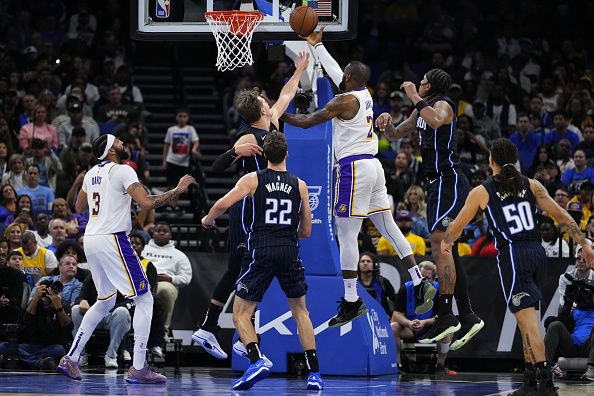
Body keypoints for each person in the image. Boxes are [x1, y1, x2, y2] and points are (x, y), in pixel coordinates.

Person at [281, 29, 434, 329]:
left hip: (353, 168)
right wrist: (318, 46)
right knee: (387, 226)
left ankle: (351, 300)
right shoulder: (363, 93)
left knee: (347, 233)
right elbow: (338, 72)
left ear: (350, 79)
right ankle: (418, 282)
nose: (341, 78)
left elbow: (308, 121)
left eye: (344, 76)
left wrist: (275, 113)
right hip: (373, 167)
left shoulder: (342, 102)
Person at [440, 138, 594, 395]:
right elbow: (562, 216)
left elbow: (457, 226)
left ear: (491, 162)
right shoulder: (532, 185)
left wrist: (446, 243)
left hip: (514, 255)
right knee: (526, 322)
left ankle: (546, 385)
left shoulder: (483, 190)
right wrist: (585, 244)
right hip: (537, 254)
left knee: (530, 324)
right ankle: (530, 382)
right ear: (515, 160)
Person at [192, 53, 311, 358]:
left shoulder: (271, 121)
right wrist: (234, 151)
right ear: (260, 107)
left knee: (246, 270)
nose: (270, 100)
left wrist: (298, 69)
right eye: (264, 99)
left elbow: (286, 95)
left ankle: (225, 333)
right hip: (248, 209)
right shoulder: (247, 134)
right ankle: (210, 328)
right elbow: (214, 169)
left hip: (264, 205)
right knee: (240, 269)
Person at [57, 134, 196, 383]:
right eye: (120, 142)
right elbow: (146, 202)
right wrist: (178, 190)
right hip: (112, 239)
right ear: (111, 151)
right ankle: (139, 367)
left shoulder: (91, 174)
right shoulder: (122, 170)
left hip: (91, 238)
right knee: (144, 298)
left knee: (106, 301)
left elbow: (78, 208)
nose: (125, 144)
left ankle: (71, 358)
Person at [201, 131, 323, 390]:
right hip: (290, 250)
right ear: (287, 154)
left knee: (240, 313)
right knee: (301, 312)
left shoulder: (253, 179)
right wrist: (291, 234)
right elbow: (308, 231)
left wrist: (208, 219)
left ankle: (256, 360)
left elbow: (223, 204)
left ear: (264, 154)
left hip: (262, 249)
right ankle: (314, 374)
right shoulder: (299, 184)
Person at [376, 68, 484, 348]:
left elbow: (436, 121)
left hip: (450, 179)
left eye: (422, 81)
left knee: (440, 241)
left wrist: (412, 94)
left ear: (430, 86)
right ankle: (468, 315)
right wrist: (385, 123)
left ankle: (448, 314)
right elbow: (398, 131)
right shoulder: (421, 110)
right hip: (435, 183)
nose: (418, 84)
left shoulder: (442, 105)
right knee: (448, 248)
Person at [391, 261, 453, 375]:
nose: (423, 281)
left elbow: (443, 316)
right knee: (393, 327)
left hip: (431, 328)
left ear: (433, 279)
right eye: (420, 277)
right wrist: (409, 323)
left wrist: (424, 322)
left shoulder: (440, 290)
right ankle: (397, 364)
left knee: (447, 329)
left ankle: (440, 365)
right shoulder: (406, 288)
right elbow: (396, 314)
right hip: (410, 328)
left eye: (427, 278)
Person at [545, 245, 594, 380]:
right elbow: (563, 316)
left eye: (585, 259)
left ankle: (591, 367)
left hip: (590, 345)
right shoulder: (567, 279)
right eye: (578, 259)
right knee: (553, 324)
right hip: (573, 344)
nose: (581, 261)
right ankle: (546, 366)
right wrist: (568, 302)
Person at [141, 222, 192, 341]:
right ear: (153, 233)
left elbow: (186, 278)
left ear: (170, 235)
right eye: (158, 231)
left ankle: (162, 331)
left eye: (165, 231)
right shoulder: (143, 249)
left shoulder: (179, 255)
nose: (162, 233)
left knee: (164, 289)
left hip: (165, 283)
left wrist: (169, 279)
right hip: (143, 282)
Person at [161, 108, 200, 213]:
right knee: (170, 184)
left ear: (187, 118)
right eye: (180, 116)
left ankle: (175, 204)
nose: (182, 118)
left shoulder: (190, 129)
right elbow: (166, 145)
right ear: (176, 117)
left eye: (184, 116)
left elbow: (196, 141)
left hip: (184, 162)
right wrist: (164, 160)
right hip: (171, 160)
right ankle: (168, 204)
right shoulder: (171, 130)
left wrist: (193, 149)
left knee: (179, 185)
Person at [357, 252, 397, 318]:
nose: (365, 263)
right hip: (362, 319)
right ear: (358, 265)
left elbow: (396, 301)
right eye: (362, 261)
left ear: (375, 265)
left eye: (368, 261)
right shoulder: (355, 284)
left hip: (383, 318)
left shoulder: (383, 282)